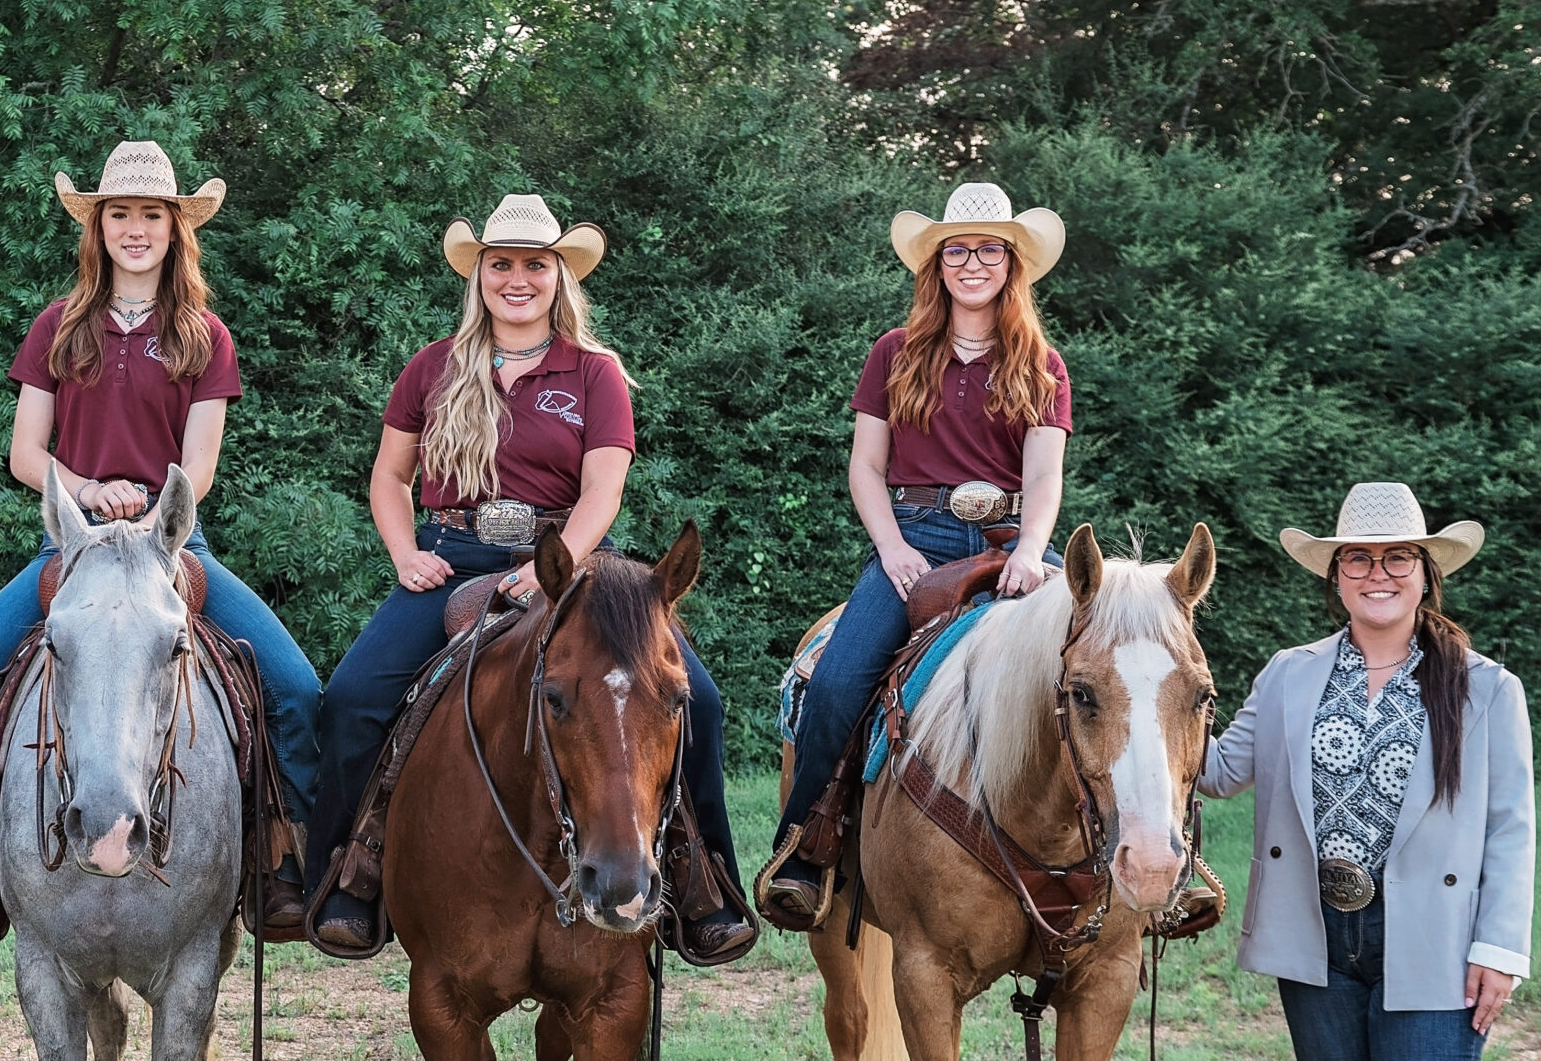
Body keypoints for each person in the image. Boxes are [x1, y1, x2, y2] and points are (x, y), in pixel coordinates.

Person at [307, 194, 748, 961]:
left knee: (696, 699)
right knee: (350, 697)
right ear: (479, 276)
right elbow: (388, 476)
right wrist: (406, 553)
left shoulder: (595, 373)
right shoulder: (432, 367)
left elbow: (604, 489)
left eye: (534, 265)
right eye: (501, 264)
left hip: (569, 565)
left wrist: (556, 576)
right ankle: (350, 869)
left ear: (559, 276)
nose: (517, 278)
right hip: (451, 554)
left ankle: (701, 880)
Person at [0, 141, 323, 941]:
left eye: (150, 215)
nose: (134, 229)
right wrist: (86, 489)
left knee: (297, 689)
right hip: (70, 550)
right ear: (97, 226)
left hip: (174, 549)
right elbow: (24, 452)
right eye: (119, 215)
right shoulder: (58, 328)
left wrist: (150, 521)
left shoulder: (205, 335)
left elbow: (199, 466)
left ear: (176, 230)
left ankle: (284, 864)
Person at [1199, 482, 1532, 1061]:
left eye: (1395, 559)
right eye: (1358, 559)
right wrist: (1158, 694)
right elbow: (1219, 769)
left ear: (1425, 574)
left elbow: (1511, 828)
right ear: (1335, 577)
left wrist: (1500, 945)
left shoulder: (1482, 685)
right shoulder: (1289, 675)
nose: (1376, 573)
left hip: (1433, 940)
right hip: (1321, 935)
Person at [759, 182, 1073, 924]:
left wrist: (1032, 549)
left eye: (987, 249)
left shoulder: (1043, 362)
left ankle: (1149, 860)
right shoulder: (894, 353)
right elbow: (866, 466)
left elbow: (1045, 475)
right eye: (957, 250)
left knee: (1116, 665)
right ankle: (804, 851)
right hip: (918, 535)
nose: (972, 262)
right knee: (836, 682)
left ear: (1010, 263)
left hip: (1010, 539)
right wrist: (892, 547)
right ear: (935, 264)